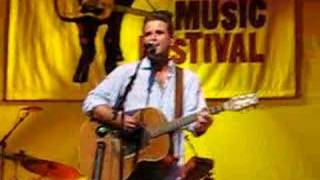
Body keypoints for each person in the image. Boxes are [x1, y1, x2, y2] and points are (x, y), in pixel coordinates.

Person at [82, 10, 213, 179]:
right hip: (129, 170)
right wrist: (116, 118)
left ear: (171, 39)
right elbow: (91, 101)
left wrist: (203, 124)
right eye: (148, 34)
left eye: (159, 33)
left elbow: (195, 125)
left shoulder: (187, 79)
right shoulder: (127, 73)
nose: (153, 38)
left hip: (169, 171)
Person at [54, 0, 134, 82]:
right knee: (89, 51)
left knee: (111, 35)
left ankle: (113, 61)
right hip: (87, 14)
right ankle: (82, 74)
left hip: (106, 11)